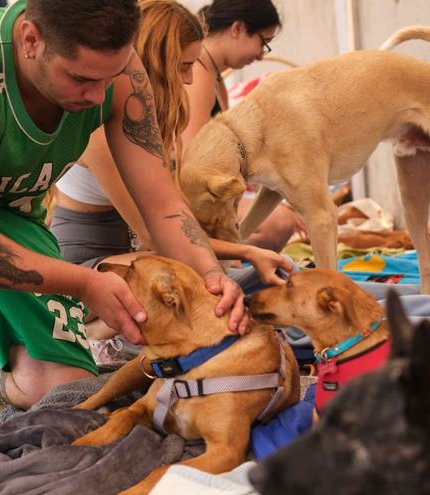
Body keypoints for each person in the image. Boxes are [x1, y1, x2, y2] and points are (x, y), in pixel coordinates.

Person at [0, 0, 246, 481]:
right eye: (81, 79)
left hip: (7, 208)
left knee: (59, 388)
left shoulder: (116, 70)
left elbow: (162, 203)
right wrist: (84, 284)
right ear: (31, 39)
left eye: (110, 76)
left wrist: (211, 278)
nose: (98, 94)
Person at [50, 0, 293, 366]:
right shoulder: (100, 124)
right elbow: (156, 230)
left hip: (136, 256)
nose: (190, 79)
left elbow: (170, 220)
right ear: (157, 61)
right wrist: (243, 252)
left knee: (249, 280)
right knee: (188, 280)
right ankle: (92, 340)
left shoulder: (148, 116)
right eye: (184, 66)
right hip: (88, 265)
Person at [183, 0, 303, 252]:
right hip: (189, 197)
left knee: (283, 212)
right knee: (278, 222)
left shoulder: (212, 74)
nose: (261, 54)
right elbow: (192, 162)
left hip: (203, 192)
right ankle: (227, 261)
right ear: (237, 29)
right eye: (263, 42)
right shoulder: (198, 74)